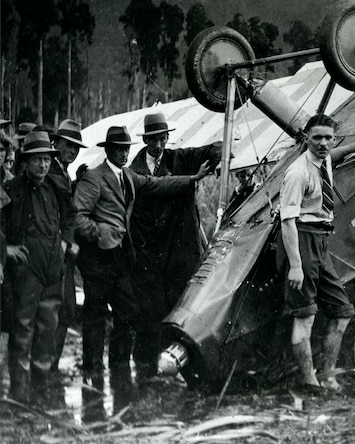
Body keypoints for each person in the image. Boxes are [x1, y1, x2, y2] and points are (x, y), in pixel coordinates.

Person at [72, 126, 211, 384]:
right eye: (118, 149)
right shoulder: (94, 177)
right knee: (95, 316)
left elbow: (157, 184)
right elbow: (77, 216)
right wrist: (100, 232)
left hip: (120, 259)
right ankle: (92, 372)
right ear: (108, 150)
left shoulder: (127, 175)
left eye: (126, 148)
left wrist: (192, 179)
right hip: (98, 260)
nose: (123, 153)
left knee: (128, 313)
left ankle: (119, 368)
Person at [278, 114, 355, 393]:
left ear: (333, 139)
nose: (322, 143)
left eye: (328, 138)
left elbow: (334, 156)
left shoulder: (324, 160)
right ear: (306, 137)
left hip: (321, 241)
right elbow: (287, 221)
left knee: (343, 311)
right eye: (316, 137)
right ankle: (309, 383)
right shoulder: (298, 173)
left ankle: (329, 376)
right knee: (305, 315)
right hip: (301, 241)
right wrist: (296, 265)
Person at [124, 111, 222, 378]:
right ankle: (147, 371)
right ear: (146, 140)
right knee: (150, 313)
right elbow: (154, 188)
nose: (158, 145)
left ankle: (184, 366)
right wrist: (194, 178)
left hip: (179, 247)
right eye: (153, 140)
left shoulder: (180, 158)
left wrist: (217, 161)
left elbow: (217, 147)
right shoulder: (134, 170)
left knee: (183, 306)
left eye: (162, 138)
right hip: (149, 251)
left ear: (168, 137)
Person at [1, 131, 76, 404]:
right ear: (26, 162)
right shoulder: (11, 190)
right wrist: (6, 249)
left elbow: (70, 216)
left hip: (53, 269)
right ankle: (20, 396)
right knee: (23, 330)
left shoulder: (56, 187)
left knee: (48, 330)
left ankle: (40, 391)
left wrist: (67, 241)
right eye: (37, 160)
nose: (43, 165)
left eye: (47, 160)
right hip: (25, 271)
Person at [48, 119, 87, 373]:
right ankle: (47, 366)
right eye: (68, 145)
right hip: (54, 252)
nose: (73, 151)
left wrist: (75, 182)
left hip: (62, 254)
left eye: (76, 147)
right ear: (56, 144)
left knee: (64, 309)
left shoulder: (62, 170)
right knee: (56, 310)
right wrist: (67, 242)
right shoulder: (49, 170)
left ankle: (50, 365)